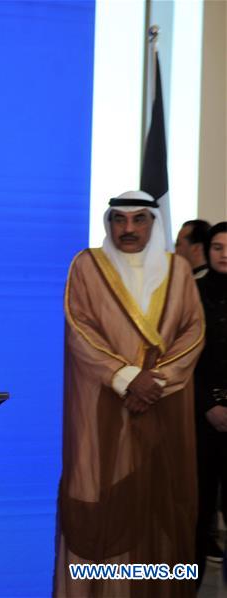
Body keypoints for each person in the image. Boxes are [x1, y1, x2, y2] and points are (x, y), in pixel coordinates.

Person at [54, 190, 205, 597]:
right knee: (98, 498)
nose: (129, 229)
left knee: (161, 503)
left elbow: (193, 331)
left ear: (154, 223)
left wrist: (155, 382)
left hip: (163, 407)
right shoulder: (87, 266)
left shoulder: (178, 270)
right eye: (120, 220)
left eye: (139, 220)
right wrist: (125, 377)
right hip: (102, 410)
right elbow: (79, 328)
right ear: (109, 223)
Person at [194, 221, 227, 582]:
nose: (224, 254)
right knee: (198, 510)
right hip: (199, 418)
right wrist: (208, 405)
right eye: (217, 247)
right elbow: (183, 359)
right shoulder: (191, 293)